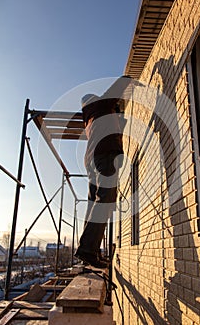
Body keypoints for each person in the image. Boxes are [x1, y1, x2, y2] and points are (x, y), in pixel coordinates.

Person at [75, 76, 131, 268]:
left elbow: (114, 125)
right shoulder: (100, 106)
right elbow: (116, 90)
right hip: (103, 155)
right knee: (105, 200)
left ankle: (90, 250)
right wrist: (128, 79)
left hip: (92, 159)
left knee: (94, 204)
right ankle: (88, 250)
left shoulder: (91, 118)